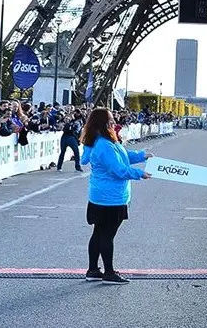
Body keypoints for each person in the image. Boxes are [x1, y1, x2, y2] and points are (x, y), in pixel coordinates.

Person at [79, 108, 152, 284]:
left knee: (98, 233)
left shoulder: (103, 141)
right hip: (111, 198)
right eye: (110, 120)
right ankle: (109, 273)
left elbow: (123, 156)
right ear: (103, 124)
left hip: (101, 196)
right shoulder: (104, 145)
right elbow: (118, 169)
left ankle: (93, 270)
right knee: (107, 235)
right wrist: (139, 174)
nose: (114, 123)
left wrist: (141, 156)